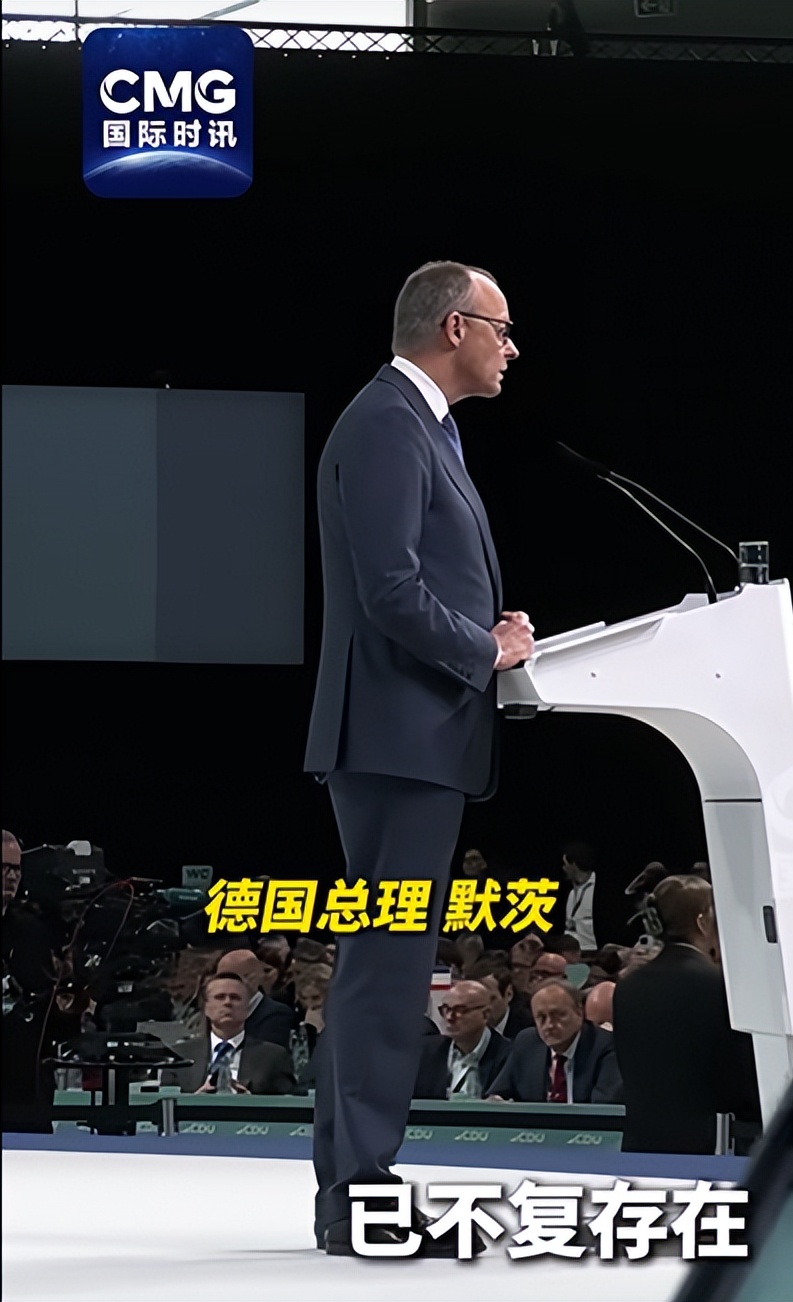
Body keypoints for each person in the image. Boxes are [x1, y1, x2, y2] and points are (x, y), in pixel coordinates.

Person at [303, 261, 531, 1257]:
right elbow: (390, 589)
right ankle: (360, 1194)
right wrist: (483, 648)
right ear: (454, 327)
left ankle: (349, 1189)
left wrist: (490, 634)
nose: (511, 347)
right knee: (387, 969)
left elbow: (412, 582)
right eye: (501, 328)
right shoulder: (389, 423)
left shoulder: (419, 426)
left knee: (382, 965)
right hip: (397, 736)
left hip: (411, 734)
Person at [611, 874, 760, 1153]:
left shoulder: (627, 987)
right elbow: (740, 1079)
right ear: (703, 922)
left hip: (641, 1145)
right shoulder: (721, 987)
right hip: (709, 1147)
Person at [489, 979, 623, 1103]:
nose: (549, 1025)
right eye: (541, 1017)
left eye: (558, 1015)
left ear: (579, 1012)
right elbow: (498, 1095)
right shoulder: (527, 1043)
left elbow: (604, 1108)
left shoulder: (606, 1046)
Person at [161, 972, 295, 1094]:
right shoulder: (179, 1055)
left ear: (247, 1008)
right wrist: (195, 1102)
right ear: (205, 1007)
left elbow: (289, 1103)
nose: (228, 1002)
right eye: (220, 997)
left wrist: (252, 1104)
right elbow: (165, 1104)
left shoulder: (274, 1057)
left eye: (235, 998)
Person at [413, 980, 510, 1099]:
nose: (449, 1017)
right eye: (446, 1009)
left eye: (460, 1010)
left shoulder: (509, 1056)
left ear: (485, 1014)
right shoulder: (425, 1052)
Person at [214, 949, 293, 1049]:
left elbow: (268, 1055)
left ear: (252, 978)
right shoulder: (214, 1012)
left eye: (229, 979)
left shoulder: (277, 1014)